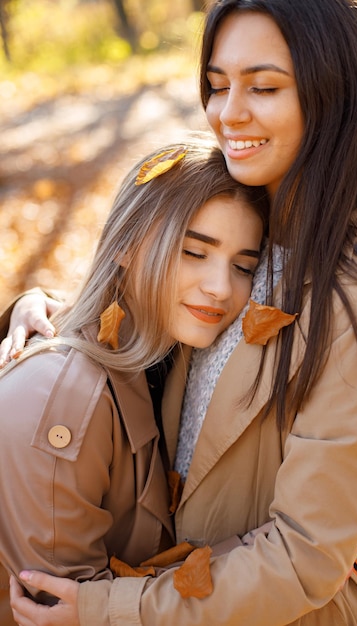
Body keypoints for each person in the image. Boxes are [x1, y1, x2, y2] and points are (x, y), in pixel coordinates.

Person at [5, 0, 357, 624]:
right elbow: (165, 278)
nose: (230, 112)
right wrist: (51, 309)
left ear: (335, 95)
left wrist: (110, 608)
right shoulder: (261, 225)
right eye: (218, 85)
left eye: (265, 86)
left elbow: (305, 555)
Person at [0, 139, 268, 625]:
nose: (221, 287)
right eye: (193, 252)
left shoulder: (170, 355)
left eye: (244, 266)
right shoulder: (62, 401)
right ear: (124, 244)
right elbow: (54, 608)